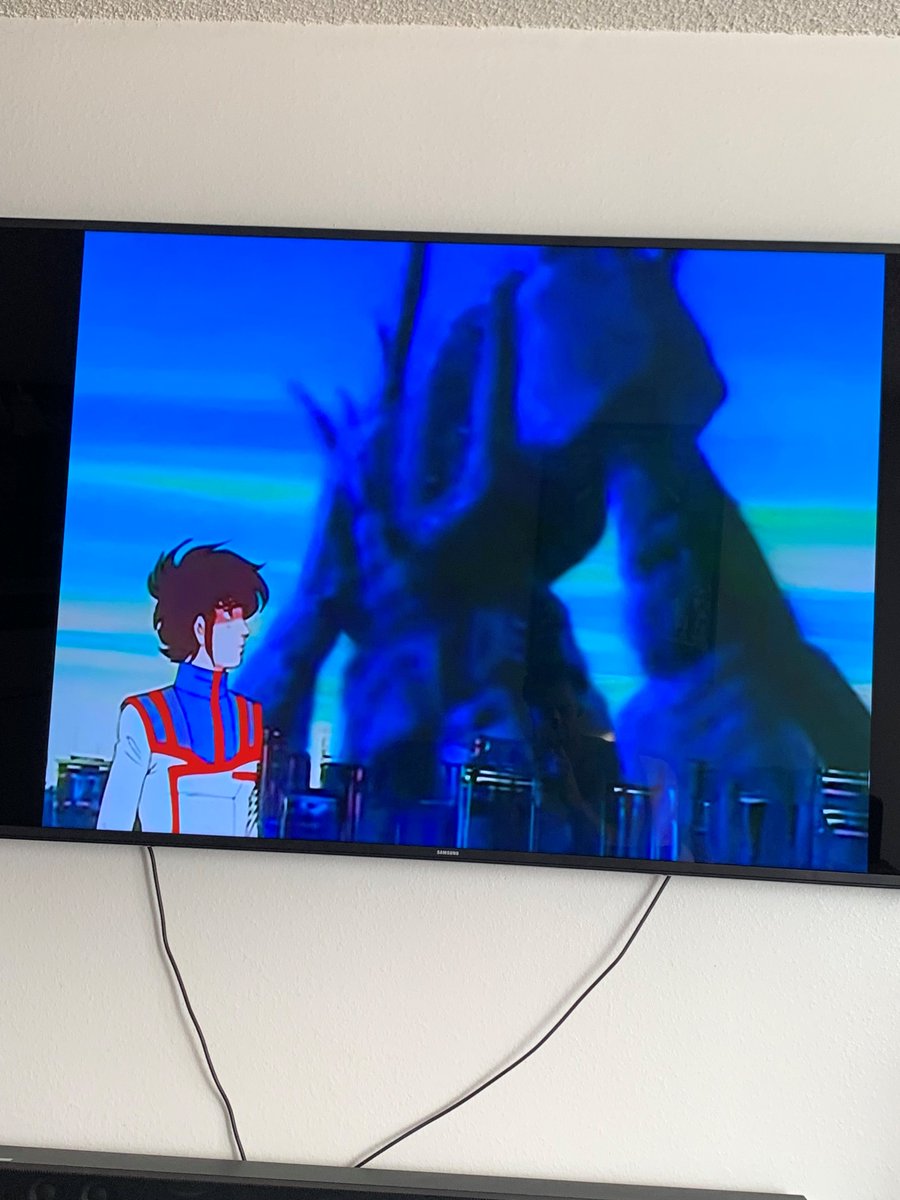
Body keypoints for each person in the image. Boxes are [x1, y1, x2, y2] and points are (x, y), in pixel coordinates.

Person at [96, 542, 269, 837]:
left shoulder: (250, 718)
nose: (244, 630)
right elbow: (112, 828)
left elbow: (251, 830)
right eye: (230, 616)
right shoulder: (145, 717)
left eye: (244, 617)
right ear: (199, 627)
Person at [523, 664, 620, 855]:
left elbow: (619, 842)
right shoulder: (520, 759)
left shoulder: (608, 759)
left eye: (564, 710)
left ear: (579, 710)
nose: (556, 720)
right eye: (546, 711)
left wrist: (574, 799)